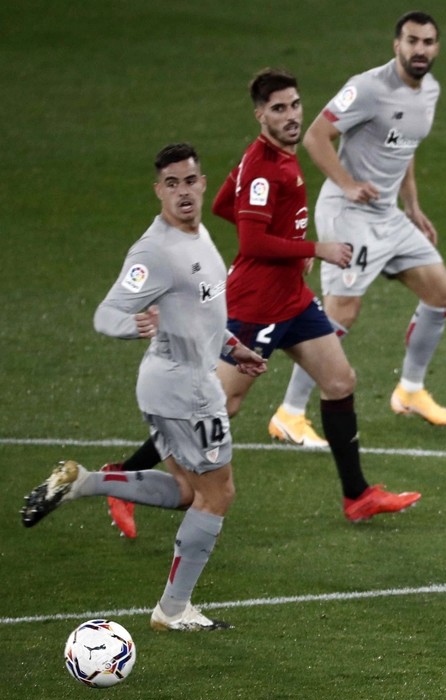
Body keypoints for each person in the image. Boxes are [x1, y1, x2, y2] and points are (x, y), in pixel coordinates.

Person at [102, 69, 421, 536]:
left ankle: (358, 496)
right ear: (260, 115)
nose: (291, 116)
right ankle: (120, 478)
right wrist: (315, 248)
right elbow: (251, 243)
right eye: (278, 109)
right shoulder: (265, 167)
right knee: (217, 406)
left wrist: (288, 243)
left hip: (291, 300)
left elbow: (222, 205)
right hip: (255, 307)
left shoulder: (273, 159)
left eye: (294, 105)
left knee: (339, 381)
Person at [21, 143, 267, 630]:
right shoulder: (154, 251)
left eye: (190, 181)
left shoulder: (198, 238)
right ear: (159, 190)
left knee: (184, 489)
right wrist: (134, 326)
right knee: (217, 495)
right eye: (171, 184)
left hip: (181, 383)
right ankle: (173, 610)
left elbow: (200, 313)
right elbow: (106, 313)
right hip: (185, 392)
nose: (183, 192)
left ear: (202, 183)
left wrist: (231, 345)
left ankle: (84, 482)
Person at [268, 9, 446, 439]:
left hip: (388, 215)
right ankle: (289, 413)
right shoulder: (368, 88)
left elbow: (405, 147)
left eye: (428, 42)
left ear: (437, 47)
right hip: (347, 213)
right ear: (397, 45)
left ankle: (410, 391)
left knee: (441, 294)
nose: (420, 49)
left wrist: (413, 206)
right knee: (340, 312)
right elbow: (315, 135)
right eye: (412, 41)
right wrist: (347, 183)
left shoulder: (429, 91)